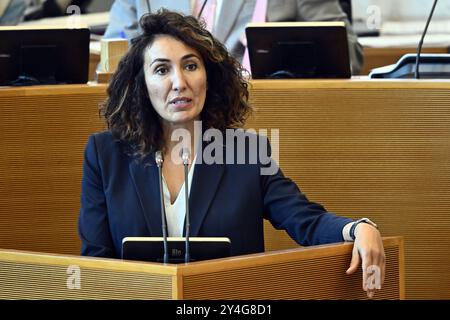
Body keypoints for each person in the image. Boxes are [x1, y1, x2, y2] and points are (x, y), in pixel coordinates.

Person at [79, 9, 385, 298]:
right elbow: (96, 262)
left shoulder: (246, 153)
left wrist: (358, 227)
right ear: (141, 85)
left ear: (209, 77)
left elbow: (306, 221)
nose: (180, 83)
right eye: (161, 69)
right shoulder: (105, 155)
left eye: (190, 66)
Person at [103, 0, 364, 74]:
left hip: (264, 124)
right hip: (165, 126)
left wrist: (285, 54)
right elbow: (112, 62)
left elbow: (349, 54)